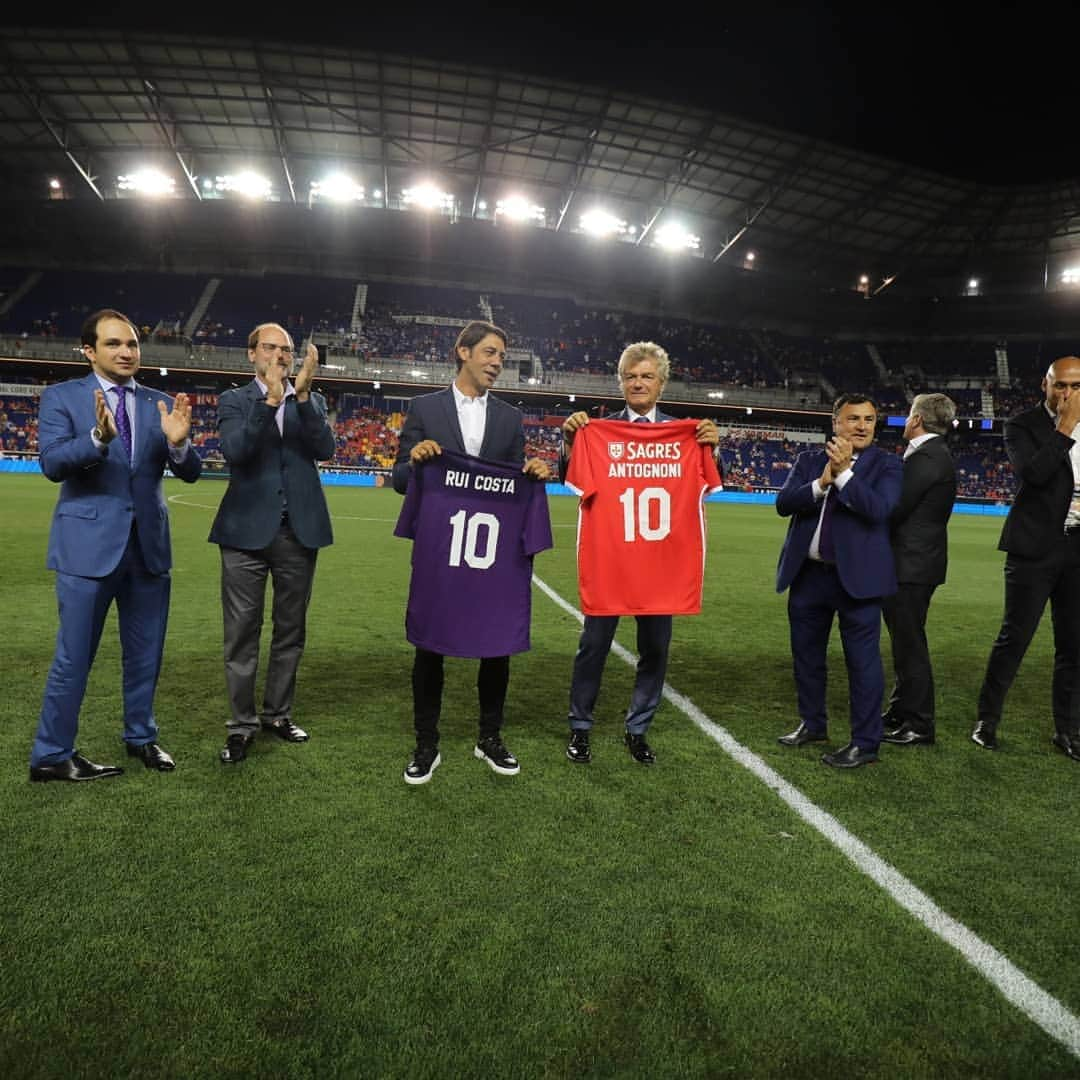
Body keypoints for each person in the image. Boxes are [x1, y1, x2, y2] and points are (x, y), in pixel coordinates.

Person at [29, 309, 202, 782]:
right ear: (89, 351)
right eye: (113, 344)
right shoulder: (62, 398)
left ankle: (141, 737)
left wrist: (182, 447)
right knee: (74, 655)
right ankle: (51, 754)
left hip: (147, 547)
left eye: (132, 343)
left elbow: (190, 470)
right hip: (87, 549)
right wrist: (96, 438)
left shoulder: (159, 402)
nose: (127, 352)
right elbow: (51, 463)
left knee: (146, 652)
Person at [392, 320, 550, 785]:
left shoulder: (509, 418)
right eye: (490, 353)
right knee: (429, 646)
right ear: (463, 352)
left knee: (496, 644)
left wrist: (535, 469)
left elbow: (518, 477)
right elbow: (401, 479)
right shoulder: (424, 408)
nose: (498, 363)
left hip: (492, 554)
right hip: (440, 548)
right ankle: (426, 742)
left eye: (501, 356)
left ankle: (490, 737)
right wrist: (415, 460)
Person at [560, 341, 720, 766]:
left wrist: (710, 446)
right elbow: (570, 478)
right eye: (631, 376)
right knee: (592, 646)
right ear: (620, 382)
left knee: (656, 650)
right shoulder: (597, 431)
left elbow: (704, 480)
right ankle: (580, 727)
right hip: (611, 560)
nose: (638, 383)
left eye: (647, 376)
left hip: (660, 565)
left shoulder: (686, 433)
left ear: (661, 383)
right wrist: (570, 440)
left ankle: (638, 728)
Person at [209, 323, 335, 764]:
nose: (279, 356)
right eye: (269, 348)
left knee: (290, 630)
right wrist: (270, 402)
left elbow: (325, 448)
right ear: (251, 354)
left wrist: (300, 397)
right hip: (243, 534)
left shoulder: (312, 401)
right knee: (241, 633)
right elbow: (237, 451)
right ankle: (241, 726)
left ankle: (277, 714)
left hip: (298, 533)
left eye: (286, 350)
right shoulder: (233, 401)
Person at [775, 394, 902, 768]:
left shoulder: (888, 465)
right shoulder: (809, 460)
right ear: (835, 423)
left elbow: (879, 510)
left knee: (863, 665)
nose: (862, 426)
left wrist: (844, 475)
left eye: (869, 419)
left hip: (859, 583)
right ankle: (813, 724)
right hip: (808, 576)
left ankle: (865, 743)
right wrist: (820, 482)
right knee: (807, 658)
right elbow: (784, 504)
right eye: (853, 419)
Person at [973, 356, 1080, 761]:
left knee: (1074, 645)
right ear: (1045, 384)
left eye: (1076, 386)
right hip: (1035, 547)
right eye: (1060, 385)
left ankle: (1068, 730)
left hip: (1078, 548)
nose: (1067, 393)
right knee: (1013, 638)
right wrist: (1066, 427)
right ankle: (987, 719)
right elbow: (1033, 475)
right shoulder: (1022, 425)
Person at [881, 393, 956, 746]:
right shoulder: (933, 454)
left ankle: (920, 723)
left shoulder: (927, 456)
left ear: (916, 420)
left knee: (910, 644)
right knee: (905, 641)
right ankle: (900, 709)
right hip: (914, 561)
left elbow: (895, 508)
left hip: (911, 564)